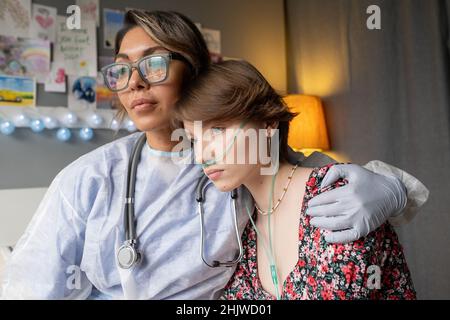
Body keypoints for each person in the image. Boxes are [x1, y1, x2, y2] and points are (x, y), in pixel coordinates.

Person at [0, 10, 426, 300]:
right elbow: (27, 287)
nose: (133, 82)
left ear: (196, 69)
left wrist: (389, 185)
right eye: (122, 69)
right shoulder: (88, 180)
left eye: (153, 64)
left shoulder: (241, 159)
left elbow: (311, 178)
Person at [174, 60, 417, 299]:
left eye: (217, 130)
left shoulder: (337, 195)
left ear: (268, 123)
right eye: (194, 140)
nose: (202, 154)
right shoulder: (241, 228)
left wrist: (397, 189)